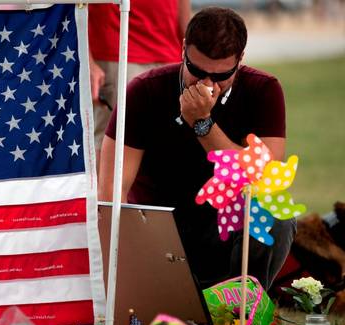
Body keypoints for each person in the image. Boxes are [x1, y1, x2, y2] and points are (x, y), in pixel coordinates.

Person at [98, 7, 296, 291]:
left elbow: (264, 179)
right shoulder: (144, 91)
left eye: (220, 75)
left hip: (226, 229)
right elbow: (111, 191)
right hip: (159, 229)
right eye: (196, 70)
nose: (206, 83)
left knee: (275, 215)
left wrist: (203, 124)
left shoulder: (263, 90)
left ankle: (241, 309)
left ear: (240, 60)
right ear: (183, 50)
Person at [88, 0, 191, 170]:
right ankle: (104, 197)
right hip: (118, 53)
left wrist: (191, 49)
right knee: (114, 141)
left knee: (166, 143)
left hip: (170, 52)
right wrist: (89, 62)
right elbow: (74, 7)